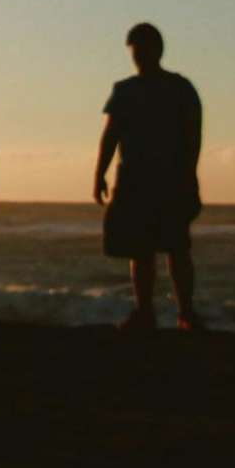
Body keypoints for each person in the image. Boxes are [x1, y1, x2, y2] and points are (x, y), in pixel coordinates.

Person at [95, 22, 203, 331]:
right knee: (140, 250)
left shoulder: (179, 87)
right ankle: (145, 311)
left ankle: (185, 312)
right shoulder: (125, 89)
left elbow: (192, 136)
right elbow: (111, 135)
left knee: (177, 248)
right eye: (135, 53)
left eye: (142, 51)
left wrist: (189, 175)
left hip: (169, 178)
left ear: (157, 50)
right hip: (134, 179)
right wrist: (99, 174)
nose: (138, 58)